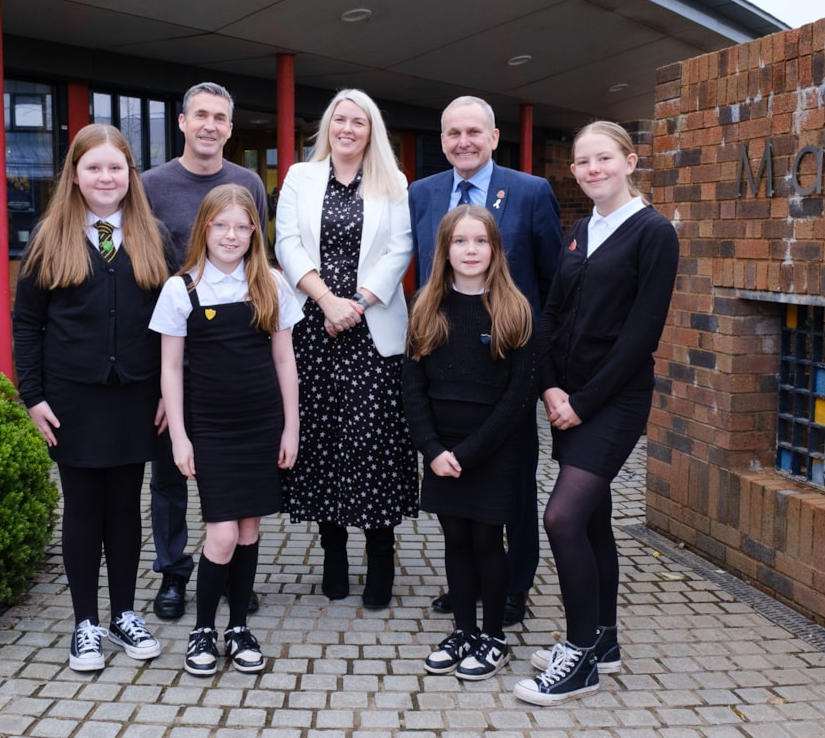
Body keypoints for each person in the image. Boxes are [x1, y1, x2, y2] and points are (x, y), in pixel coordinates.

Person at [514, 121, 679, 706]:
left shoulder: (654, 234)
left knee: (561, 518)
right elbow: (553, 313)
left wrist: (580, 402)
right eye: (582, 162)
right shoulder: (582, 229)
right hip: (568, 398)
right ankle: (604, 639)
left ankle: (579, 655)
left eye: (603, 158)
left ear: (630, 161)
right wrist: (552, 388)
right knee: (591, 521)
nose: (591, 170)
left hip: (614, 401)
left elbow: (641, 337)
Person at [13, 123, 171, 672]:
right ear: (74, 176)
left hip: (135, 396)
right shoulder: (49, 238)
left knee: (126, 508)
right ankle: (85, 624)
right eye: (93, 168)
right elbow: (28, 323)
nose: (106, 177)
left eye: (116, 168)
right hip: (72, 400)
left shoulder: (153, 235)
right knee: (83, 509)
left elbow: (175, 324)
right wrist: (31, 395)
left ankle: (125, 613)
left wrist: (170, 394)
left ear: (130, 175)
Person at [408, 95, 563, 626]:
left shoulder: (530, 191)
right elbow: (425, 273)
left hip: (509, 365)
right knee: (457, 487)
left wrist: (545, 370)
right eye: (453, 133)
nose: (463, 142)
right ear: (443, 139)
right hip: (451, 362)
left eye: (474, 131)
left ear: (495, 137)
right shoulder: (422, 193)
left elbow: (552, 283)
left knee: (512, 483)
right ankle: (467, 585)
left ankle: (514, 584)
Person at [274, 88, 417, 609]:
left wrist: (354, 304)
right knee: (323, 444)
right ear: (327, 128)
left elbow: (402, 247)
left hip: (372, 331)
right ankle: (334, 561)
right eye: (340, 120)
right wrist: (327, 302)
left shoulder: (393, 183)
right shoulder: (299, 177)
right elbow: (286, 242)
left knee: (372, 444)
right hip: (314, 329)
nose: (348, 129)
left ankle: (380, 562)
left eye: (359, 121)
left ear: (370, 130)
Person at [150, 183, 300, 677]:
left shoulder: (271, 284)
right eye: (221, 226)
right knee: (221, 535)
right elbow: (171, 369)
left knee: (250, 529)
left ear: (255, 231)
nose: (231, 235)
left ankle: (238, 628)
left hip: (261, 424)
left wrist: (291, 429)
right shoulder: (183, 288)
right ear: (204, 229)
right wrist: (179, 437)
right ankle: (203, 630)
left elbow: (284, 360)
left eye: (242, 226)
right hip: (211, 428)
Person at [141, 82, 269, 621]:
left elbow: (260, 262)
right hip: (172, 350)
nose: (210, 125)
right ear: (183, 122)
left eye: (220, 117)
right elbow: (143, 271)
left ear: (230, 128)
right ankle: (174, 573)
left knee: (237, 479)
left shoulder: (248, 184)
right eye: (201, 116)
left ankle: (236, 575)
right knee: (171, 471)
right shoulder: (150, 186)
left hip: (233, 358)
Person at [403, 205, 536, 681]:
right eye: (460, 241)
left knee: (486, 541)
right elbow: (412, 389)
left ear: (495, 249)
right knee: (455, 539)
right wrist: (433, 450)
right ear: (445, 250)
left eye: (480, 241)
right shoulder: (425, 308)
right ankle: (463, 630)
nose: (470, 250)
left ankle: (493, 636)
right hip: (442, 451)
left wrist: (469, 453)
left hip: (493, 451)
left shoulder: (515, 310)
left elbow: (518, 400)